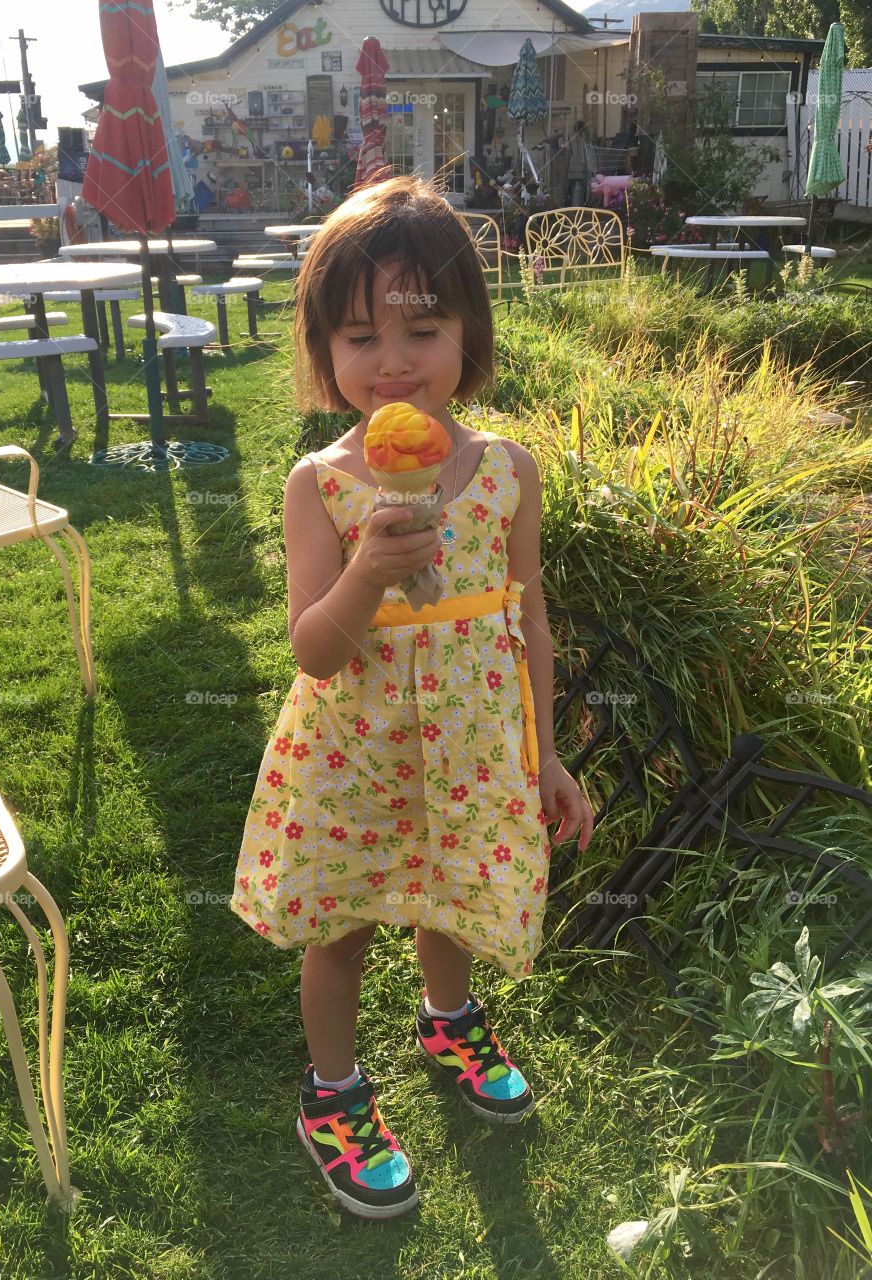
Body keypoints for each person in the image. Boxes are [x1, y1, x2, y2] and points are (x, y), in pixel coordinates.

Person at [229, 173, 595, 1221]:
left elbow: (529, 620)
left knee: (451, 898)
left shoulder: (509, 471)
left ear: (468, 335)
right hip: (354, 750)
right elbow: (314, 648)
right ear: (323, 353)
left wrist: (547, 750)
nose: (391, 359)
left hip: (477, 740)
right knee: (338, 926)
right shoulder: (323, 484)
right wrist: (368, 572)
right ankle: (334, 1092)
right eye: (357, 337)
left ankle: (450, 1014)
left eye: (421, 327)